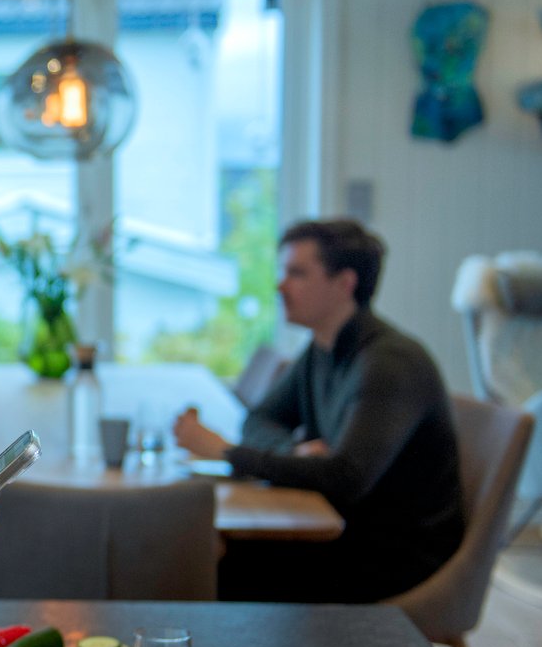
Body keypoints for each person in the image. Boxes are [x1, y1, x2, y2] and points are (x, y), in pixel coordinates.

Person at [172, 218, 463, 602]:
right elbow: (261, 418)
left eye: (297, 274)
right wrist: (292, 454)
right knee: (198, 556)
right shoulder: (320, 349)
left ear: (345, 283)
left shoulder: (389, 362)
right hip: (344, 529)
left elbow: (345, 477)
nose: (280, 286)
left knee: (208, 567)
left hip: (392, 558)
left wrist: (227, 453)